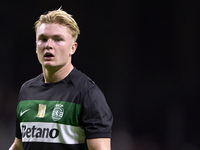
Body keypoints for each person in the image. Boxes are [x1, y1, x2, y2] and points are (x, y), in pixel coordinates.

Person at [9, 8, 113, 150]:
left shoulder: (87, 94)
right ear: (36, 45)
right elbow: (19, 145)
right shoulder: (27, 91)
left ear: (73, 48)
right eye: (43, 39)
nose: (49, 45)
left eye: (58, 39)